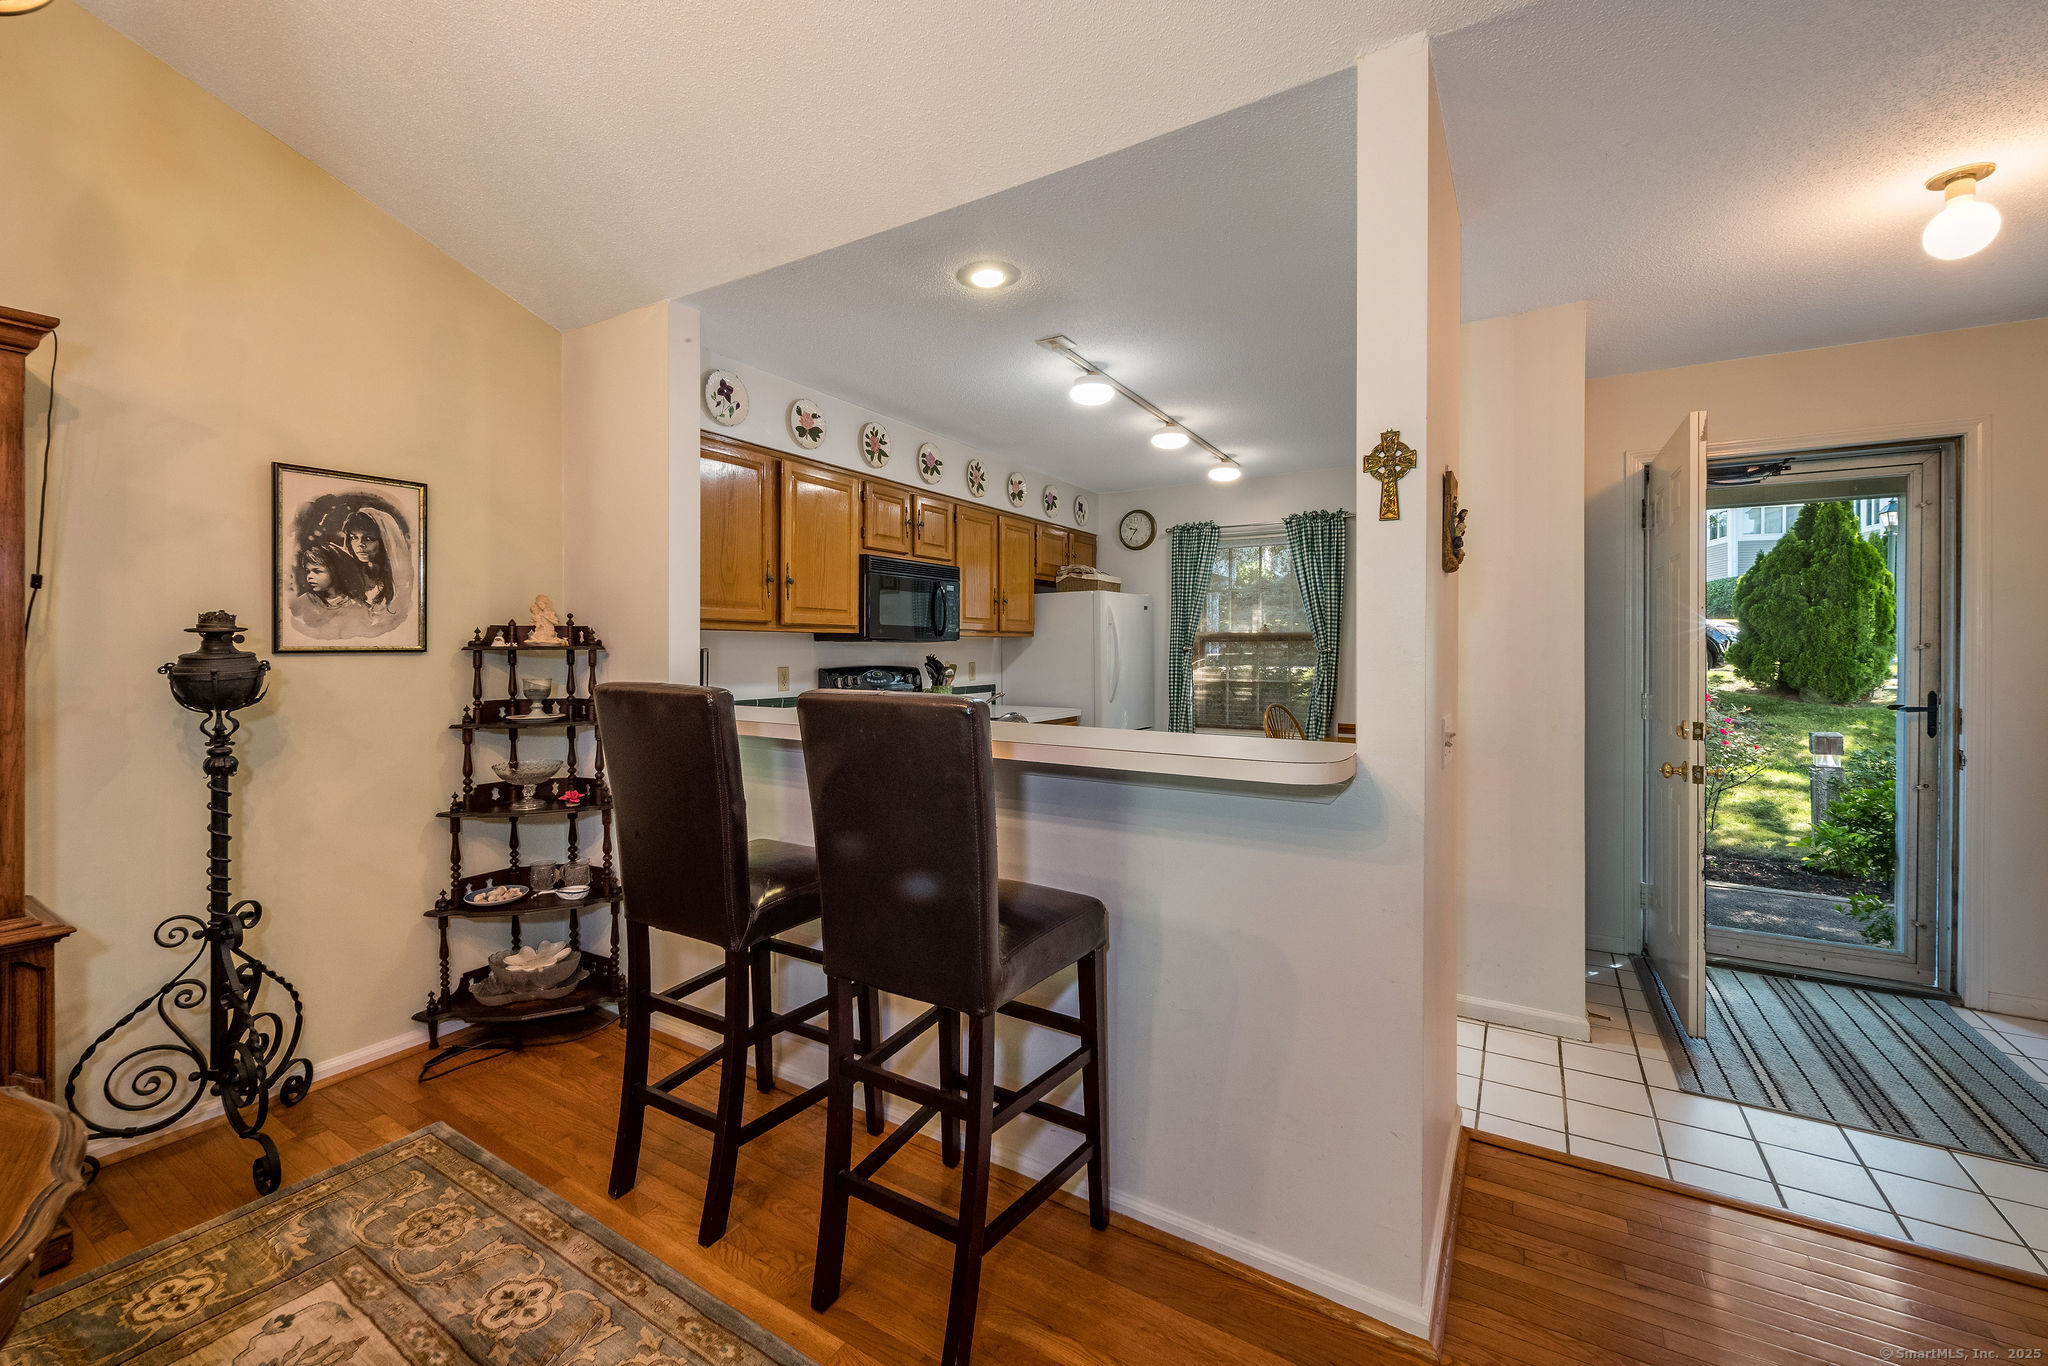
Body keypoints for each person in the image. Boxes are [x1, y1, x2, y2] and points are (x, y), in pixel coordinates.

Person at [288, 541, 376, 640]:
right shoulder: (302, 603)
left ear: (336, 572)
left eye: (317, 571)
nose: (309, 577)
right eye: (308, 571)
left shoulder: (360, 608)